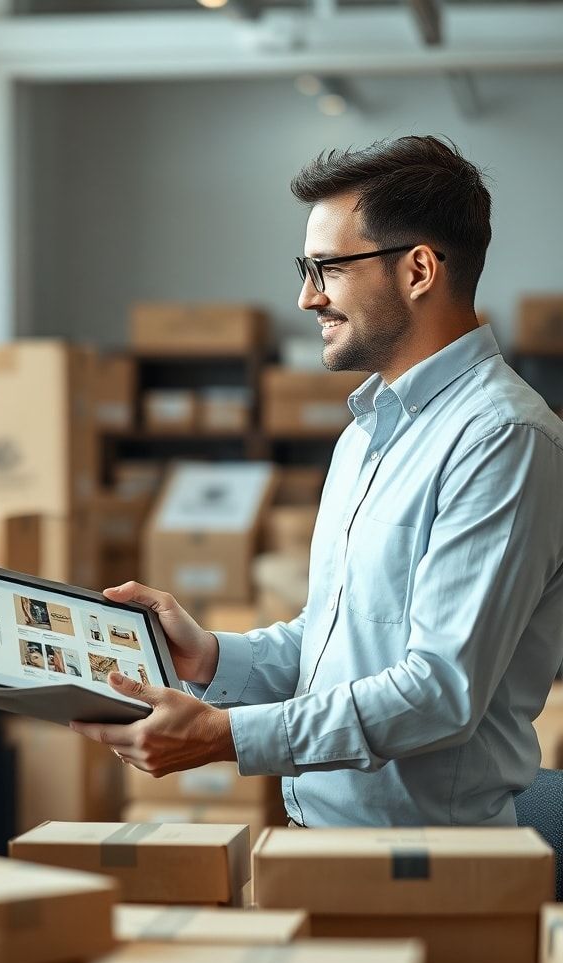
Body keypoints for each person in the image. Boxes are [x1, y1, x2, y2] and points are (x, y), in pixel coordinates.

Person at [73, 136, 563, 827]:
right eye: (307, 268)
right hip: (323, 838)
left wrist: (226, 736)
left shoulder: (502, 439)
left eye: (327, 267)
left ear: (419, 269)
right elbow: (336, 637)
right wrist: (210, 657)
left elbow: (438, 693)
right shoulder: (367, 430)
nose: (306, 297)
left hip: (430, 867)